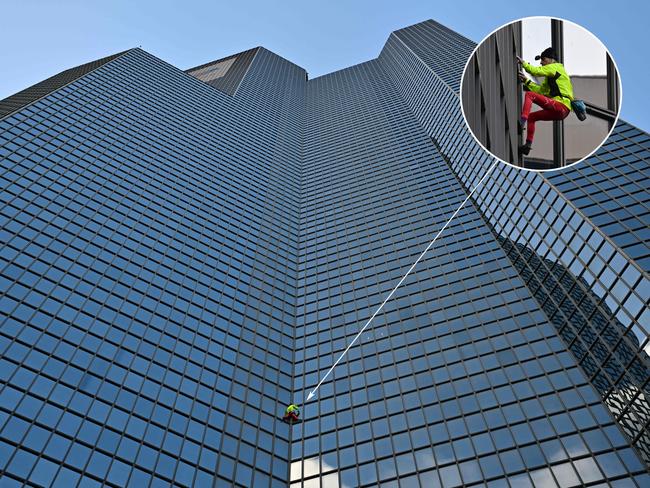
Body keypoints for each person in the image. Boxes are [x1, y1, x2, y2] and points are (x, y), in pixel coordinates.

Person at [516, 47, 574, 156]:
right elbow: (542, 91)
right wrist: (527, 81)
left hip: (561, 105)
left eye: (543, 59)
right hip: (562, 111)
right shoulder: (552, 75)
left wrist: (523, 63)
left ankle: (522, 122)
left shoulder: (556, 67)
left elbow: (536, 71)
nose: (542, 63)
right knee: (532, 117)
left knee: (529, 95)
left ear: (551, 59)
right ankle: (527, 146)